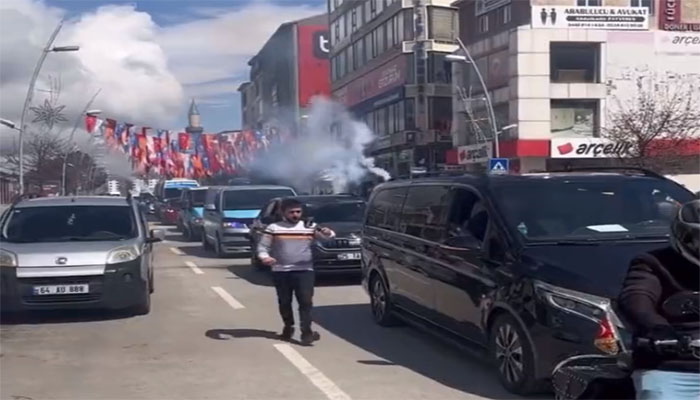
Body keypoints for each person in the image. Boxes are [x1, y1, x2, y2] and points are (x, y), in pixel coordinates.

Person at [618, 199, 700, 400]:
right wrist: (659, 329)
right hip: (672, 366)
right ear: (686, 236)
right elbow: (636, 299)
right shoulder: (653, 264)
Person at [257, 198, 335, 345]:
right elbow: (262, 247)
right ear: (283, 212)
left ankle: (306, 332)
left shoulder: (309, 227)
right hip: (281, 271)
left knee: (306, 302)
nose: (295, 215)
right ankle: (288, 326)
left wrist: (327, 232)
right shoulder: (274, 228)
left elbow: (327, 238)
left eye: (298, 212)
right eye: (291, 212)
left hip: (304, 270)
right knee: (285, 302)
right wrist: (265, 258)